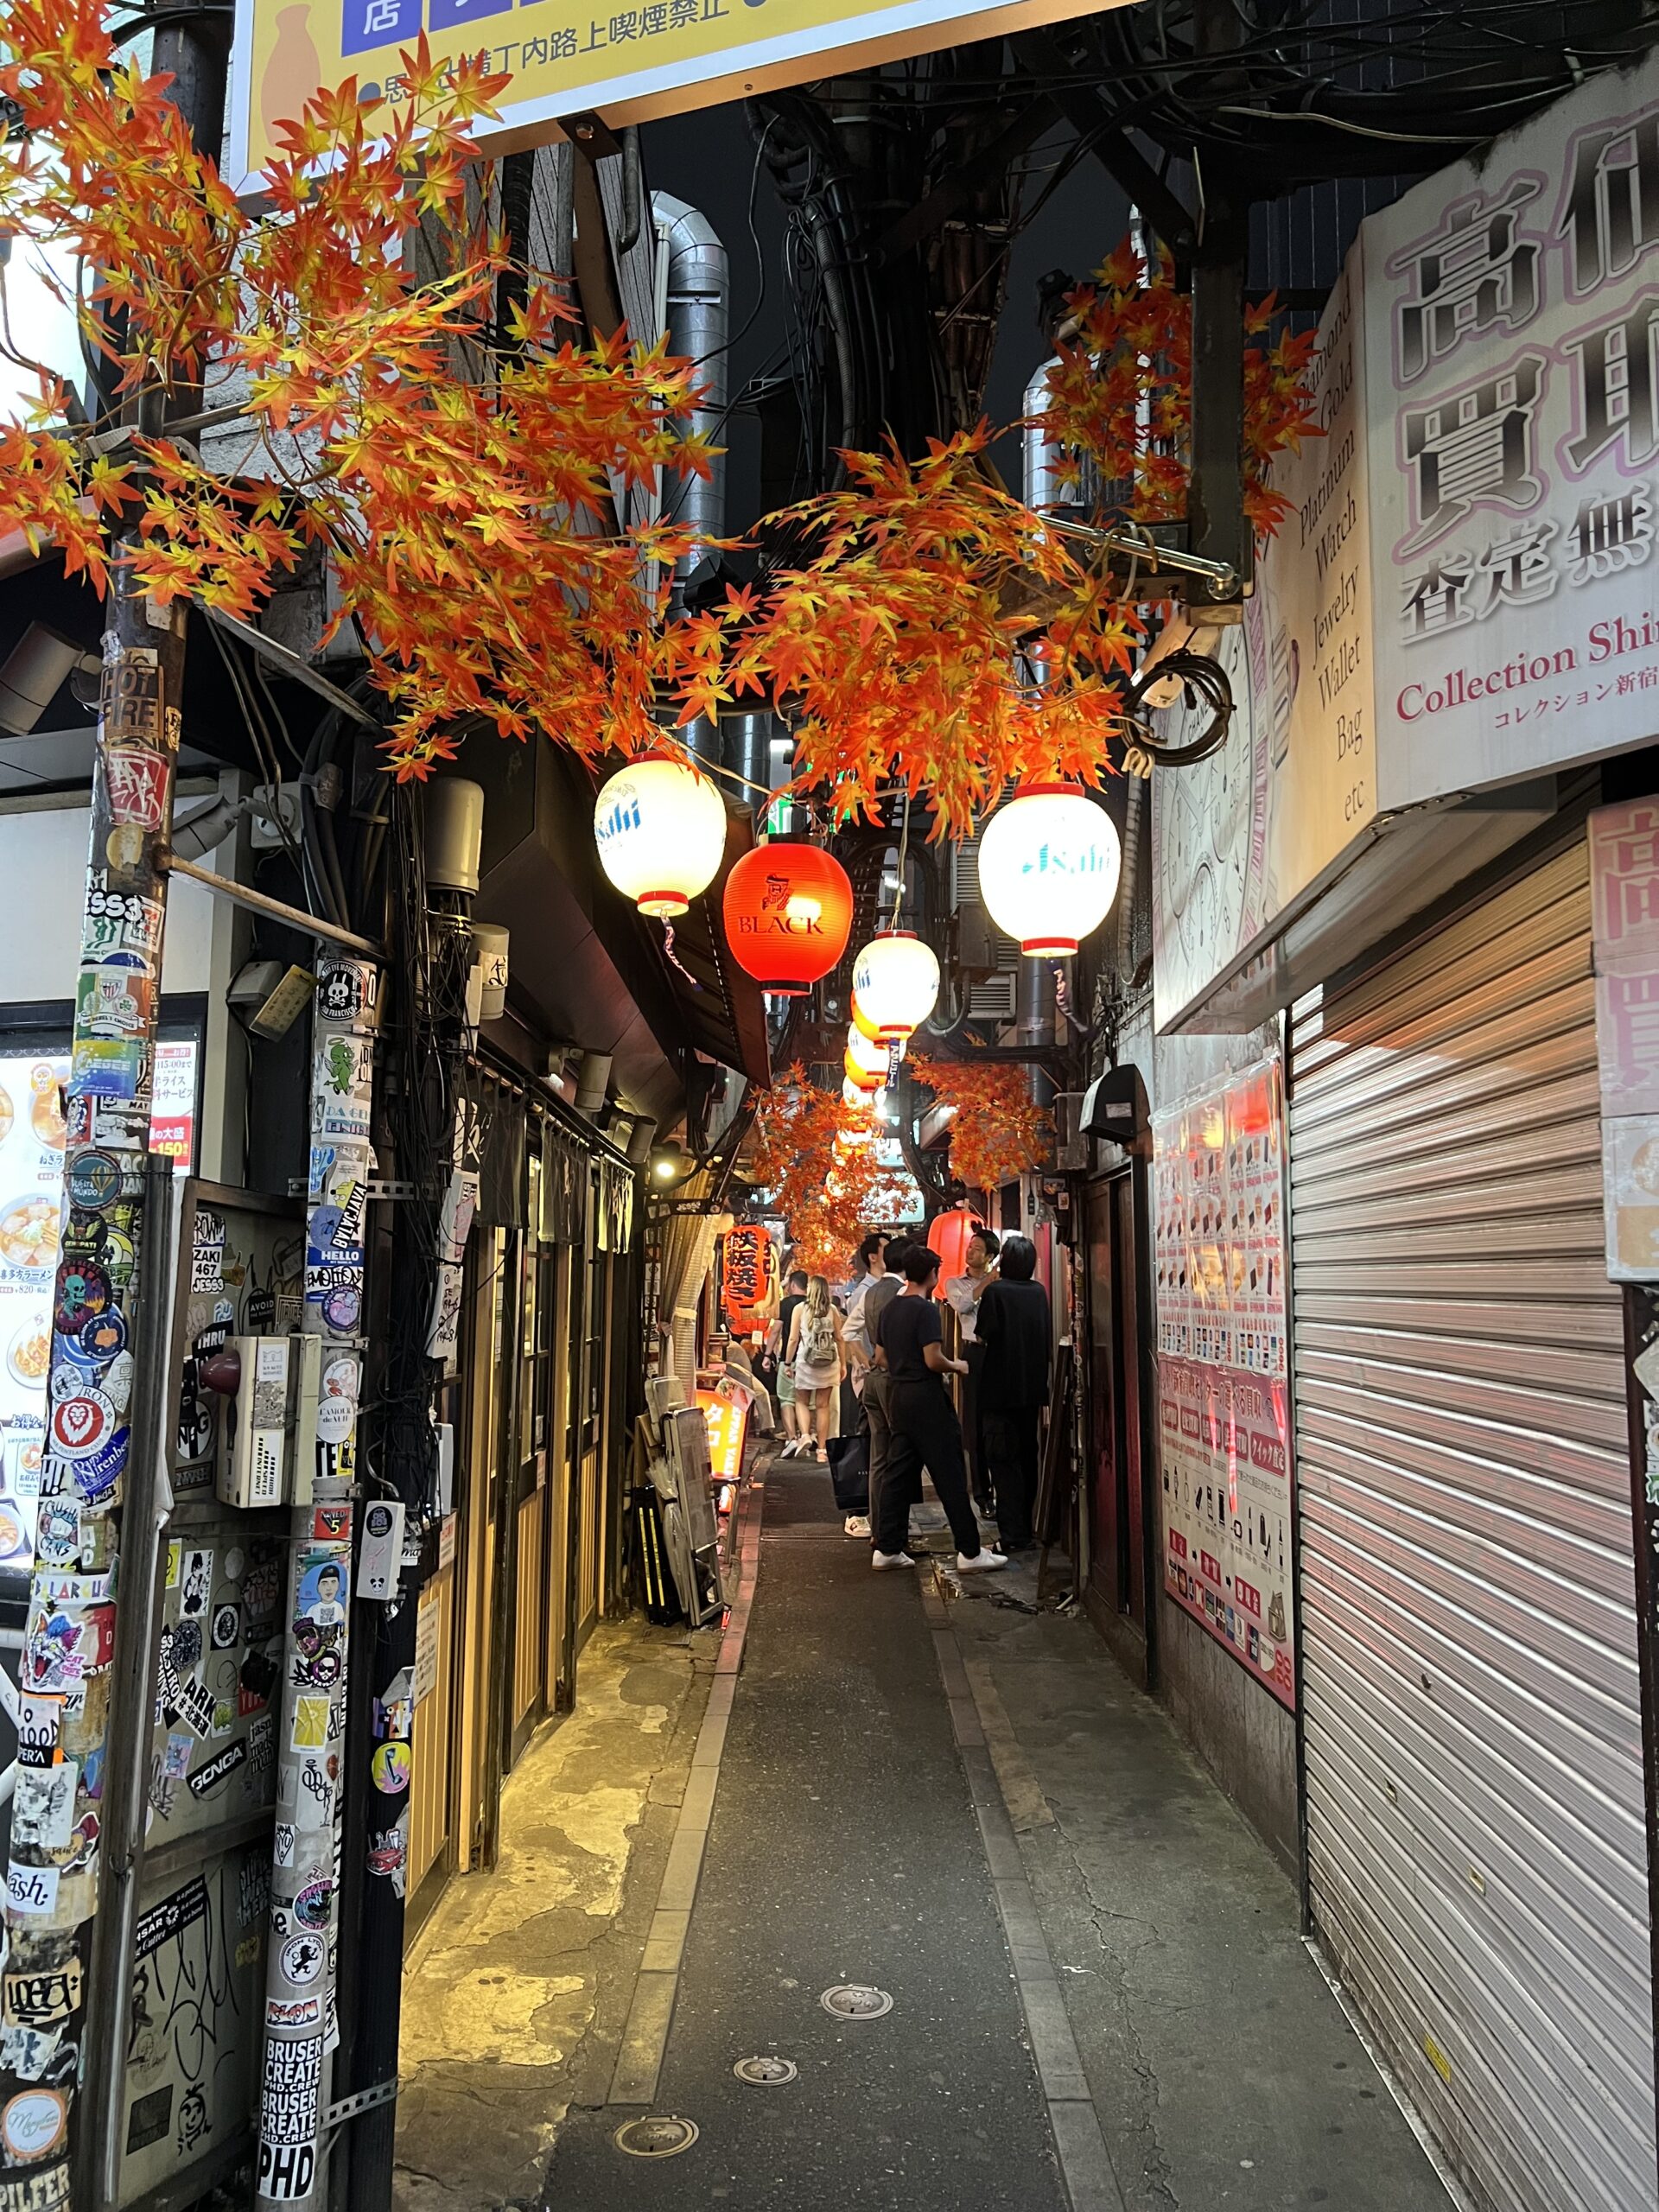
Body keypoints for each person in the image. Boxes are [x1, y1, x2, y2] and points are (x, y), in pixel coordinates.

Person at [872, 1245, 1007, 1575]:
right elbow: (933, 1359)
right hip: (927, 1399)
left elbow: (880, 1358)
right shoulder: (925, 1310)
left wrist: (906, 1365)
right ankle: (970, 1552)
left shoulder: (891, 1308)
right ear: (932, 1275)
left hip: (899, 1396)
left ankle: (887, 1548)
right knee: (950, 1473)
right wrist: (958, 1365)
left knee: (898, 1473)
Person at [975, 1234, 1051, 1552]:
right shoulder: (1038, 1292)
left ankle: (1012, 1536)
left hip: (999, 1389)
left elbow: (982, 1335)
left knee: (1003, 1461)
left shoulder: (996, 1292)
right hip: (1031, 1389)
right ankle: (1028, 1526)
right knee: (1027, 1458)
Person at [860, 1236, 912, 1550]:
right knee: (898, 1459)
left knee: (878, 1460)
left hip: (873, 1381)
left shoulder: (872, 1291)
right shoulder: (903, 1294)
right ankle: (893, 1535)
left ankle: (878, 1529)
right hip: (894, 1379)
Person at [944, 1225, 1000, 1517]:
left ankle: (1002, 1486)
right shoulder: (956, 1283)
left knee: (999, 1419)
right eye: (970, 1247)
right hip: (974, 1353)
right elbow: (963, 1306)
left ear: (990, 1255)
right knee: (975, 1424)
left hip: (999, 1353)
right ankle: (982, 1494)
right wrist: (988, 1282)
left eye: (977, 1248)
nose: (970, 1251)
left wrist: (994, 1282)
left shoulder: (1000, 1283)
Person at [785, 1274, 846, 1464]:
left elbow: (793, 1339)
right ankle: (821, 1451)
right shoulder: (833, 1310)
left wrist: (788, 1363)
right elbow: (839, 1339)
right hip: (829, 1362)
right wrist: (843, 1364)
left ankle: (804, 1435)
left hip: (806, 1361)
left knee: (801, 1401)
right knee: (823, 1406)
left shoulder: (800, 1309)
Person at [771, 1269, 809, 1457]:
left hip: (790, 1359)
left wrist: (767, 1354)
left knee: (786, 1399)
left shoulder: (785, 1304)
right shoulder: (812, 1305)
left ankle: (791, 1438)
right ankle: (806, 1436)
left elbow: (776, 1331)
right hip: (810, 1362)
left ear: (793, 1285)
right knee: (805, 1401)